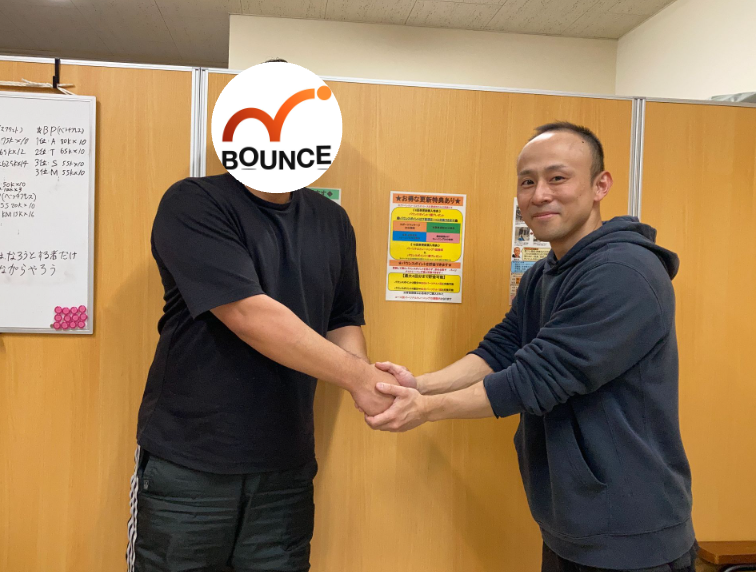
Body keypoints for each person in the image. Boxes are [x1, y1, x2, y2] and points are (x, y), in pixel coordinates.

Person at [366, 122, 697, 571]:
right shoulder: (544, 273)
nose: (539, 194)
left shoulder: (625, 272)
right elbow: (502, 349)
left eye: (557, 178)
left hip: (631, 531)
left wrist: (424, 410)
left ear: (600, 185)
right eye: (527, 182)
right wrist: (420, 386)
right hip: (571, 523)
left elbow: (537, 378)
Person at [127, 70, 397, 569]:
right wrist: (358, 378)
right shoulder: (194, 202)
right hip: (190, 462)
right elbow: (249, 313)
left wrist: (368, 382)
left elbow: (343, 317)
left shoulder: (332, 220)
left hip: (285, 466)